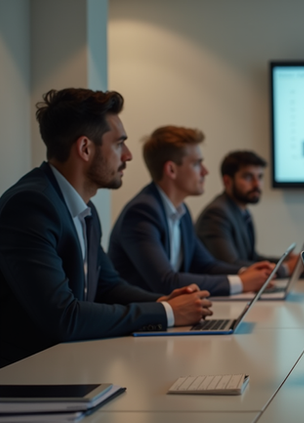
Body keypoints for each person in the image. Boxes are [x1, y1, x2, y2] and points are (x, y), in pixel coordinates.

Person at [0, 89, 212, 367]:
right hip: (25, 381)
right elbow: (64, 318)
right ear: (85, 148)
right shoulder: (32, 206)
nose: (128, 155)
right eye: (119, 144)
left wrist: (165, 300)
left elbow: (108, 286)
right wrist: (166, 312)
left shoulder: (84, 209)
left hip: (68, 366)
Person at [108, 126, 273, 297]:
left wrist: (245, 272)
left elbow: (206, 265)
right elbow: (166, 282)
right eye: (196, 163)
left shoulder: (181, 211)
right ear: (171, 170)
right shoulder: (142, 213)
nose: (205, 171)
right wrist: (240, 282)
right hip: (145, 320)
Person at [195, 151, 297, 276]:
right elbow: (230, 264)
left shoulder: (242, 212)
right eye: (248, 177)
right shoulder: (216, 214)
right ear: (227, 181)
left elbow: (252, 258)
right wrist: (285, 268)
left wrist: (286, 261)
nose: (256, 184)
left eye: (260, 177)